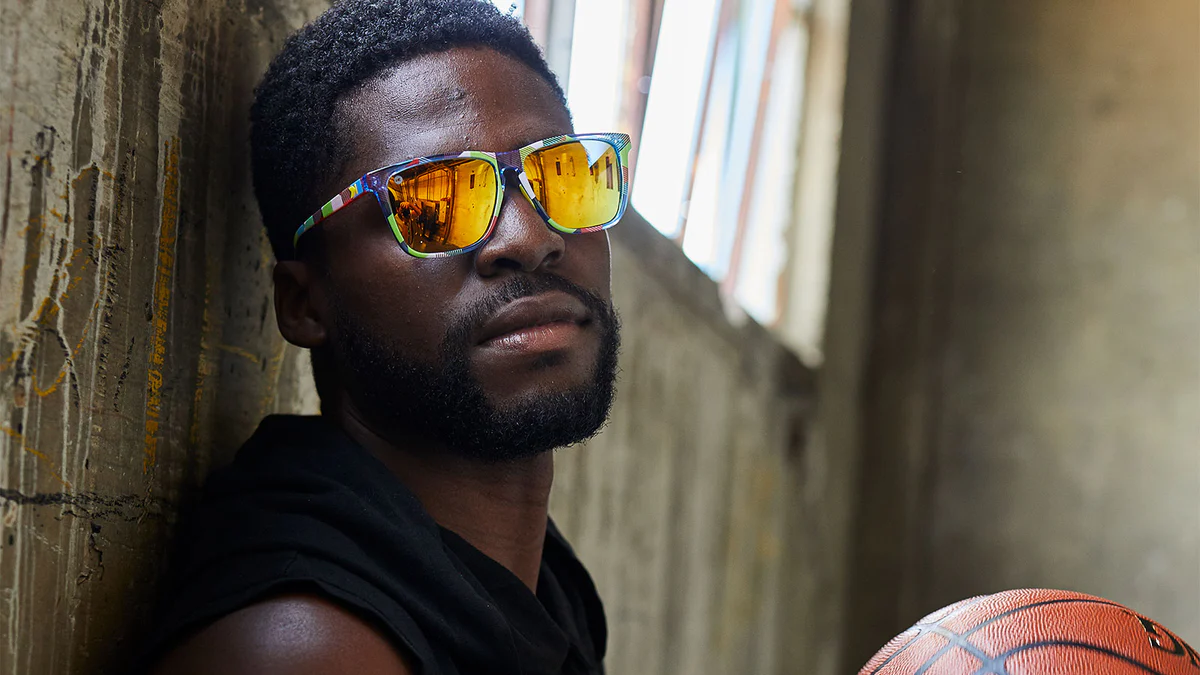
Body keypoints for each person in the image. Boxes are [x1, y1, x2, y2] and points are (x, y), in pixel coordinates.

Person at [142, 0, 626, 672]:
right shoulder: (308, 649)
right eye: (436, 201)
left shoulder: (545, 590)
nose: (530, 237)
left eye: (562, 175)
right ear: (305, 303)